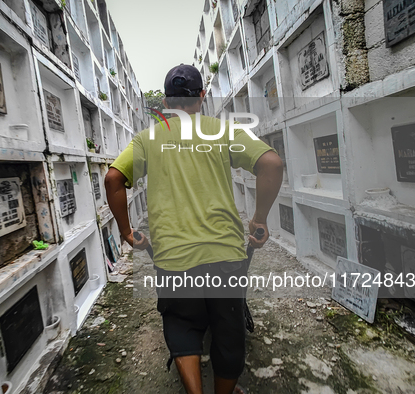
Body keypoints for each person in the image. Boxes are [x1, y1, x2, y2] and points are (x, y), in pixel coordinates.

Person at [105, 64, 283, 394]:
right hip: (226, 255)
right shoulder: (223, 130)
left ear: (167, 102)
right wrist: (259, 218)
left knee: (182, 322)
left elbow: (113, 178)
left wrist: (128, 231)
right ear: (201, 97)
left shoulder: (147, 139)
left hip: (173, 257)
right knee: (228, 332)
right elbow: (271, 163)